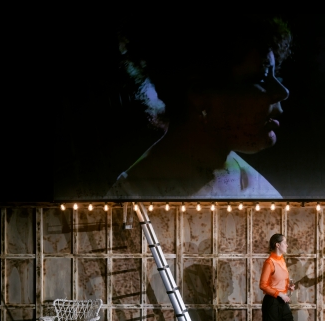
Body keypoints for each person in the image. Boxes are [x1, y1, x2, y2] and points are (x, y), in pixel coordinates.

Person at [104, 15, 291, 199]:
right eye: (261, 77)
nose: (283, 92)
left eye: (275, 75)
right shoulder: (133, 198)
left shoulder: (260, 190)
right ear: (200, 94)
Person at [259, 233, 298, 321]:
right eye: (285, 242)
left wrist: (288, 287)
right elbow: (263, 285)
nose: (287, 245)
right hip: (272, 302)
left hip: (283, 301)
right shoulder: (269, 262)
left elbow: (278, 282)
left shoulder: (281, 260)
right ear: (277, 244)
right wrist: (280, 294)